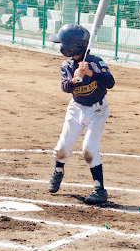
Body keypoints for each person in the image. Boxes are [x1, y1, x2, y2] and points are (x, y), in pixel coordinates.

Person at [48, 24, 115, 205]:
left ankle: (99, 189)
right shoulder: (67, 65)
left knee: (89, 148)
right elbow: (65, 87)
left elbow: (110, 82)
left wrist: (92, 73)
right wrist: (75, 79)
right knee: (63, 147)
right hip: (76, 108)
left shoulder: (95, 61)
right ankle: (58, 172)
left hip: (97, 111)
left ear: (71, 47)